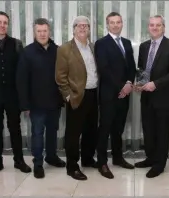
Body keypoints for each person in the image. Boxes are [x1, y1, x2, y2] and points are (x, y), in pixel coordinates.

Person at [0, 11, 31, 178]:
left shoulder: (16, 44)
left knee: (15, 128)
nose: (2, 25)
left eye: (5, 23)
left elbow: (23, 71)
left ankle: (19, 160)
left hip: (13, 95)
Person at [134, 15, 169, 178]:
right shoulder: (143, 46)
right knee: (148, 130)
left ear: (163, 27)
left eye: (158, 25)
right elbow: (142, 69)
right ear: (148, 27)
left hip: (164, 96)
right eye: (151, 25)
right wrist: (140, 83)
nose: (154, 28)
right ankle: (150, 158)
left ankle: (159, 165)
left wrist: (156, 83)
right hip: (146, 96)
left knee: (162, 132)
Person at [16, 18, 66, 179]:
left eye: (45, 30)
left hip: (55, 101)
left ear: (49, 31)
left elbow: (63, 75)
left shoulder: (58, 50)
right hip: (36, 103)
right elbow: (21, 80)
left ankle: (51, 157)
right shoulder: (27, 52)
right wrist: (25, 104)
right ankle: (38, 162)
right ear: (34, 32)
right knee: (37, 133)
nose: (42, 34)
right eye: (39, 31)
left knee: (53, 131)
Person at [56, 16, 99, 181]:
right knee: (73, 133)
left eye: (85, 26)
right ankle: (72, 166)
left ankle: (87, 159)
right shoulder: (65, 49)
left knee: (91, 130)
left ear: (89, 29)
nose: (82, 28)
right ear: (73, 29)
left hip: (93, 94)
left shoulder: (93, 47)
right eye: (79, 26)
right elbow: (60, 77)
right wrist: (68, 95)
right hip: (76, 96)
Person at [94, 12, 136, 179]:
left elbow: (131, 66)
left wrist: (129, 83)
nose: (115, 25)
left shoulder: (126, 43)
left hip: (124, 95)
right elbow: (104, 69)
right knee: (104, 129)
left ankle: (118, 158)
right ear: (107, 24)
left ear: (122, 24)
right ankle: (102, 163)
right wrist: (122, 87)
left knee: (118, 129)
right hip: (109, 94)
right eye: (112, 22)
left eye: (118, 22)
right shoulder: (101, 43)